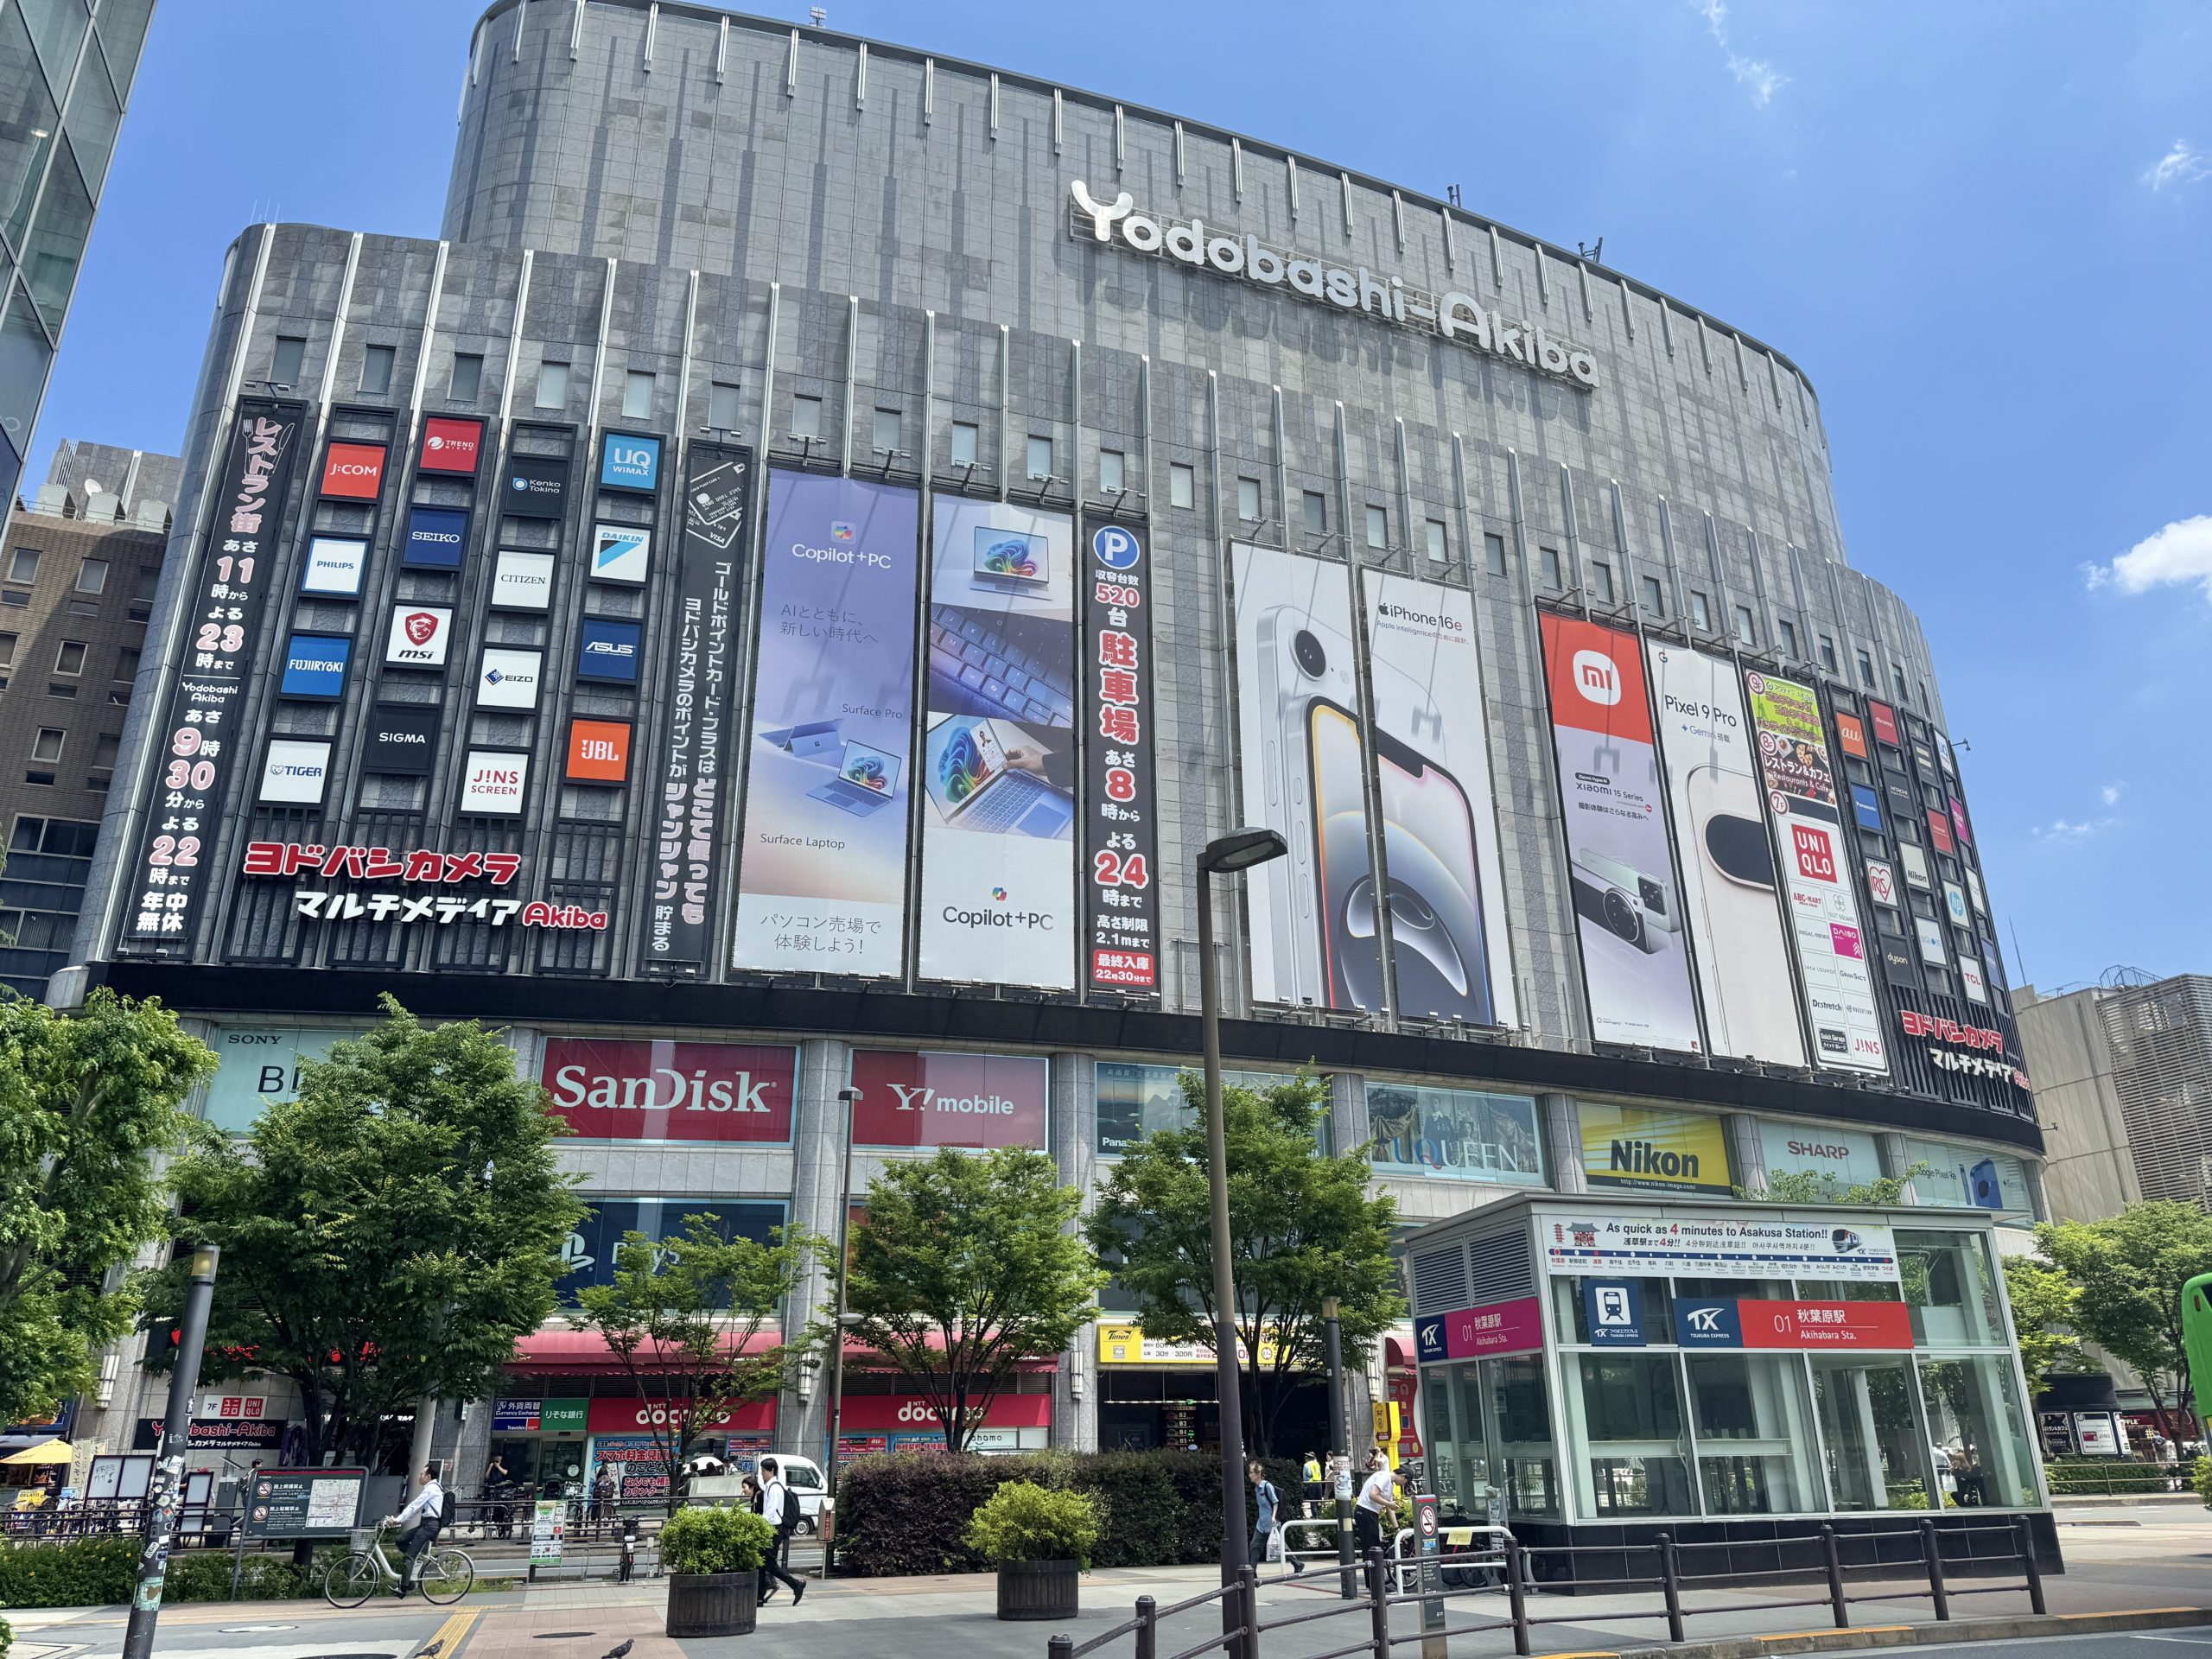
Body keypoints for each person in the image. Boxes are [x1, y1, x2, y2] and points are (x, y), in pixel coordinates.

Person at [756, 1458, 805, 1607]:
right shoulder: (770, 1486)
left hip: (774, 1529)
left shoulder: (775, 1488)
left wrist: (759, 1524)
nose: (762, 1474)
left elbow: (770, 1511)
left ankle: (796, 1584)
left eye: (764, 1471)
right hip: (771, 1529)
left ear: (772, 1470)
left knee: (769, 1564)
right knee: (761, 1563)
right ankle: (759, 1597)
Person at [391, 1465, 445, 1597]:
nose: (419, 1476)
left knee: (409, 1557)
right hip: (426, 1524)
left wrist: (399, 1520)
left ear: (428, 1476)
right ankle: (417, 1559)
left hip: (429, 1526)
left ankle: (404, 1588)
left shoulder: (431, 1489)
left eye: (422, 1474)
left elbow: (415, 1506)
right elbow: (417, 1508)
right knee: (400, 1540)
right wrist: (401, 1519)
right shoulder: (432, 1488)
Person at [1249, 1461, 1300, 1575]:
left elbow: (1275, 1502)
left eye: (1252, 1473)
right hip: (1261, 1524)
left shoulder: (1267, 1486)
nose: (1249, 1475)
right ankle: (1252, 1571)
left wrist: (1273, 1517)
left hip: (1272, 1523)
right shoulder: (1257, 1488)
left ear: (1258, 1474)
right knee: (1254, 1546)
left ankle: (1297, 1563)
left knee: (1281, 1546)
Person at [1354, 1459, 1398, 1562]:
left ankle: (1373, 1571)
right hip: (1366, 1510)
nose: (1403, 1485)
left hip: (1370, 1513)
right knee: (1371, 1547)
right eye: (1406, 1482)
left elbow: (1390, 1508)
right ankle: (1372, 1572)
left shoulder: (1390, 1484)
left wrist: (1397, 1528)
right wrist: (1389, 1504)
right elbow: (1373, 1494)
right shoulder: (1385, 1476)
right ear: (1403, 1476)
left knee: (1372, 1546)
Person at [1302, 1452, 1325, 1520]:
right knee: (1319, 1499)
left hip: (1311, 1483)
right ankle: (1320, 1513)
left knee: (1312, 1499)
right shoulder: (1317, 1464)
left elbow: (1305, 1476)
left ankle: (1315, 1515)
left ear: (1308, 1459)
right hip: (1319, 1482)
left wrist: (1305, 1483)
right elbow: (1319, 1473)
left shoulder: (1306, 1465)